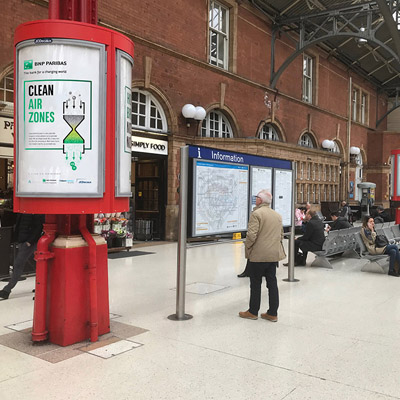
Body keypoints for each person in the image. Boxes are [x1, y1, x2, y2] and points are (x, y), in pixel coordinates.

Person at [239, 190, 286, 322]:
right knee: (272, 283)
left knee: (255, 283)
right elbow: (281, 235)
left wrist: (248, 247)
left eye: (257, 198)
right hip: (272, 255)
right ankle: (272, 313)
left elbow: (251, 235)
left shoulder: (256, 214)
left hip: (259, 255)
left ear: (261, 200)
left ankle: (253, 311)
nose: (255, 199)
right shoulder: (277, 215)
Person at [0, 213, 44, 300]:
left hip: (27, 242)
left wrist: (30, 241)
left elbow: (38, 227)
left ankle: (7, 290)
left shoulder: (27, 211)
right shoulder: (26, 211)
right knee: (35, 264)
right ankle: (41, 286)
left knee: (18, 264)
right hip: (24, 241)